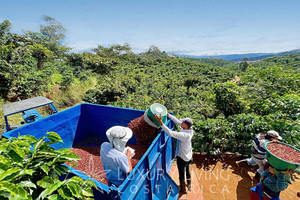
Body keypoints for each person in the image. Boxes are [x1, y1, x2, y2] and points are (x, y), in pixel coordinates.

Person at [154, 113, 193, 194]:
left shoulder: (184, 135)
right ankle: (189, 185)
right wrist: (168, 114)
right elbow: (177, 121)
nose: (180, 123)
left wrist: (160, 122)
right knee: (187, 169)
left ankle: (183, 189)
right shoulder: (190, 130)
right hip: (189, 155)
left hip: (182, 157)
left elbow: (170, 133)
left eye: (182, 123)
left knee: (181, 174)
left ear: (185, 126)